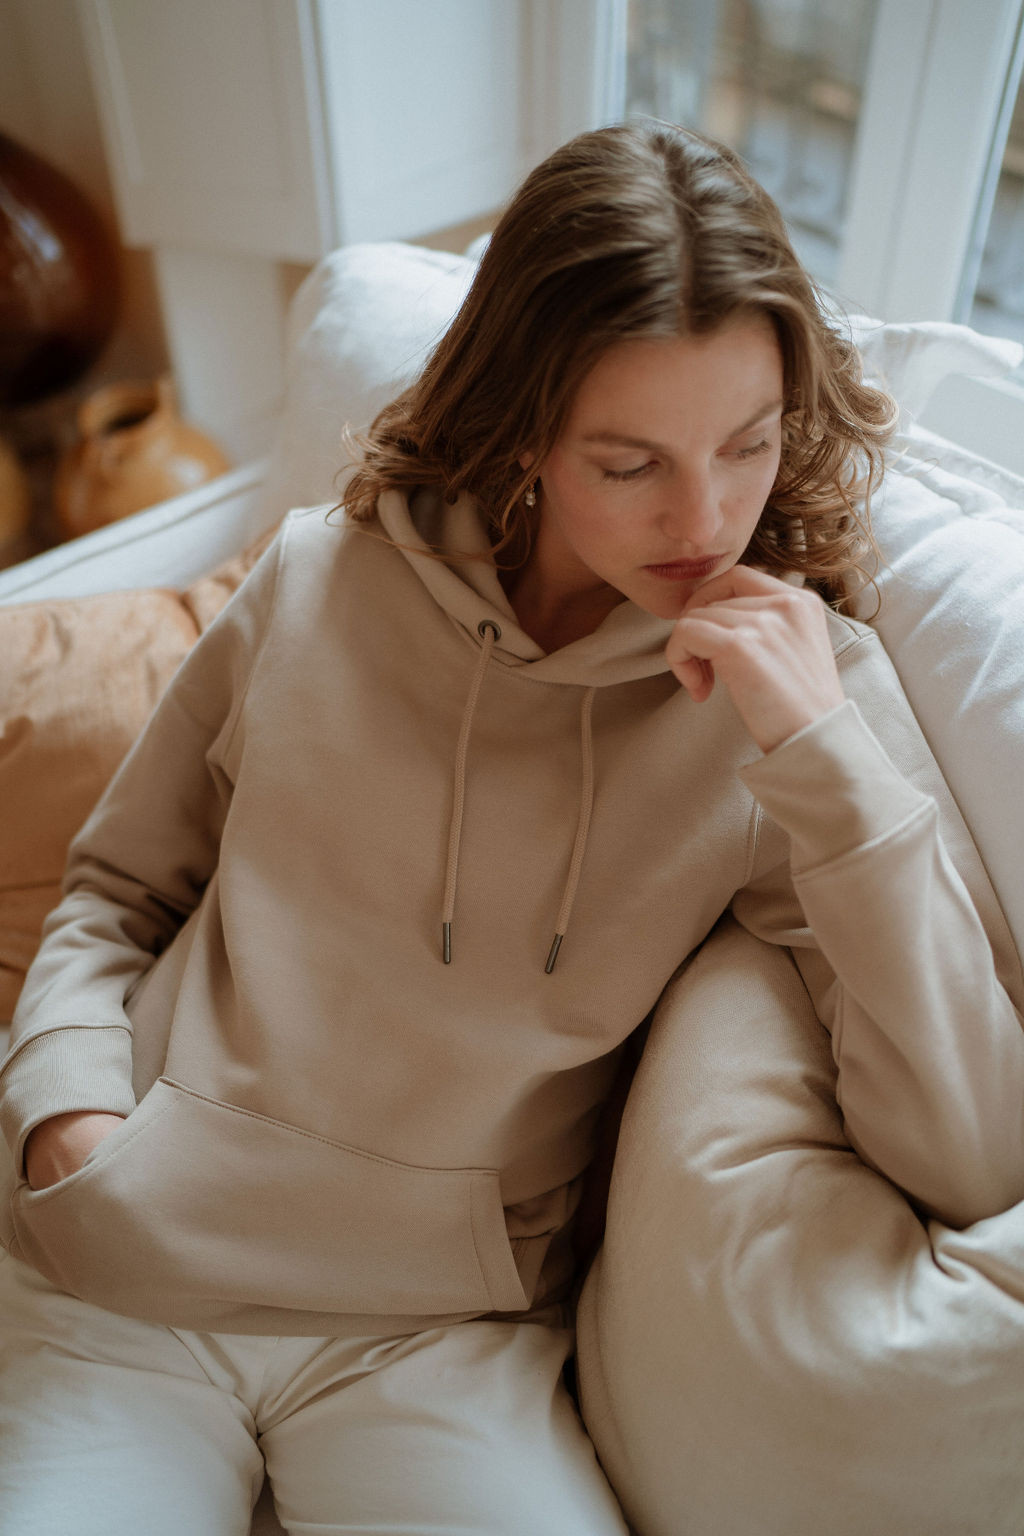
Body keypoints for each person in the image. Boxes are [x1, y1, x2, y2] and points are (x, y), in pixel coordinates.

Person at [1, 119, 1022, 1536]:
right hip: (128, 1264)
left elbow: (972, 1153)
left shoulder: (798, 699)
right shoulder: (318, 581)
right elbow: (114, 891)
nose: (707, 515)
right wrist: (66, 1114)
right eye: (630, 463)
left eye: (749, 442)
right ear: (530, 427)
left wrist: (824, 759)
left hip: (438, 1342)